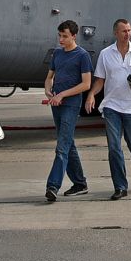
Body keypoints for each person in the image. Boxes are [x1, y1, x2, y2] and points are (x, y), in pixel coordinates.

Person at [86, 18, 131, 199]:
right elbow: (100, 80)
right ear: (116, 33)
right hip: (112, 106)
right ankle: (120, 187)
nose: (127, 34)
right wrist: (91, 94)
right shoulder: (106, 54)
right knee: (114, 147)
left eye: (129, 30)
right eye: (124, 31)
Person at [39, 19, 93, 202]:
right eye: (59, 36)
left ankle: (52, 186)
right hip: (57, 105)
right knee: (68, 143)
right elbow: (49, 77)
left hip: (71, 105)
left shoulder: (82, 56)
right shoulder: (57, 54)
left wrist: (62, 94)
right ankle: (80, 183)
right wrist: (48, 89)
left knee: (61, 146)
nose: (61, 40)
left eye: (65, 36)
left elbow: (86, 84)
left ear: (74, 36)